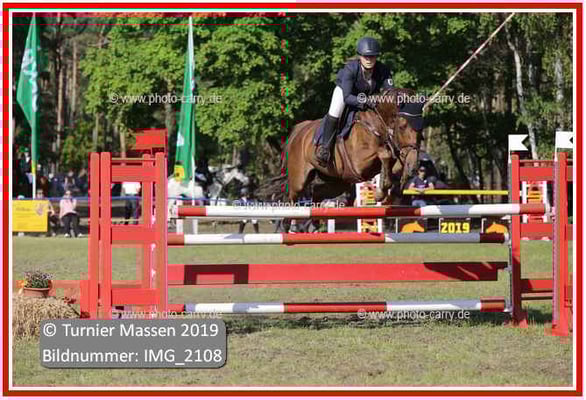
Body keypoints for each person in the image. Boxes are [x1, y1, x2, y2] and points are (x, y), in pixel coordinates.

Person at [315, 37, 394, 166]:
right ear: (360, 56)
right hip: (345, 92)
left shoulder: (383, 70)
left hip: (367, 96)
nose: (369, 60)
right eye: (366, 56)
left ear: (376, 57)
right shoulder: (351, 68)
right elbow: (347, 97)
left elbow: (390, 92)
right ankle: (325, 148)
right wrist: (366, 101)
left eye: (372, 56)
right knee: (335, 111)